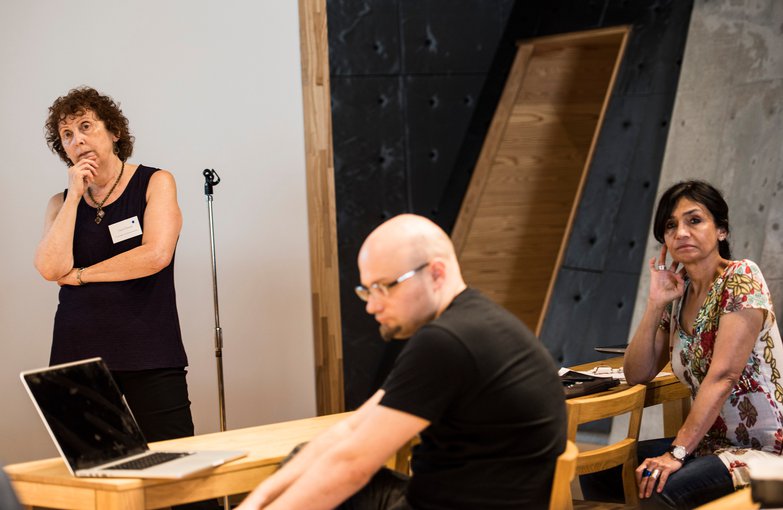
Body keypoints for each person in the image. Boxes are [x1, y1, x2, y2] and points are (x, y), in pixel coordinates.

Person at [237, 214, 567, 509]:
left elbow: (352, 466)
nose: (371, 307)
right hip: (469, 495)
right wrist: (256, 501)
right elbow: (351, 429)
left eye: (384, 287)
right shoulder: (473, 321)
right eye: (367, 290)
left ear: (436, 273)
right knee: (306, 462)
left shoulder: (446, 341)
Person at [592, 180, 782, 508]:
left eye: (694, 220)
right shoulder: (679, 298)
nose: (681, 232)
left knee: (658, 489)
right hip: (711, 444)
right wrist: (655, 303)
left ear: (721, 230)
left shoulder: (741, 277)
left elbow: (723, 377)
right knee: (602, 471)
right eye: (670, 225)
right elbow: (637, 372)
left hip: (767, 452)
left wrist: (675, 453)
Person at [34, 86, 194, 444]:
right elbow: (48, 268)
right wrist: (74, 196)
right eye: (67, 135)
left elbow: (155, 255)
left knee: (179, 471)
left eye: (86, 126)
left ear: (114, 131)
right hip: (77, 354)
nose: (77, 140)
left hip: (148, 349)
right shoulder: (60, 203)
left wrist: (80, 275)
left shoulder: (156, 182)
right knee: (96, 476)